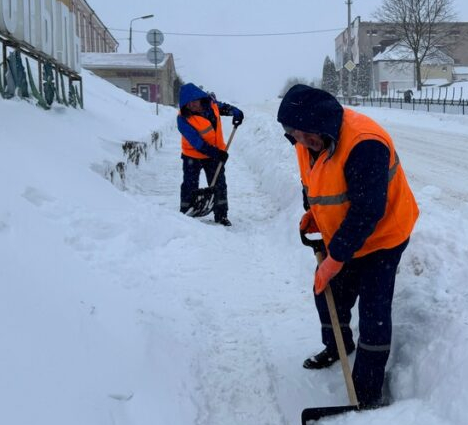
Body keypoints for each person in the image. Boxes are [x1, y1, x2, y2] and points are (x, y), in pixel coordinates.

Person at [277, 84, 419, 408]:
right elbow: (312, 182)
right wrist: (313, 214)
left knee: (374, 311)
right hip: (344, 232)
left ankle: (366, 394)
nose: (306, 142)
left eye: (311, 135)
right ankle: (337, 346)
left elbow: (368, 211)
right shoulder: (304, 142)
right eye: (298, 135)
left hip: (384, 236)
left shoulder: (364, 144)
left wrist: (336, 257)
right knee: (327, 294)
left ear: (325, 124)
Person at [177, 83, 243, 226]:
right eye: (189, 105)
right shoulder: (183, 119)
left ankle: (221, 215)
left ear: (200, 98)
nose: (193, 106)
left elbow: (224, 108)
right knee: (190, 184)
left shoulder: (211, 105)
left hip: (214, 153)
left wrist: (235, 111)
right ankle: (185, 212)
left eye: (195, 102)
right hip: (192, 155)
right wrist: (217, 153)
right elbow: (197, 143)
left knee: (219, 184)